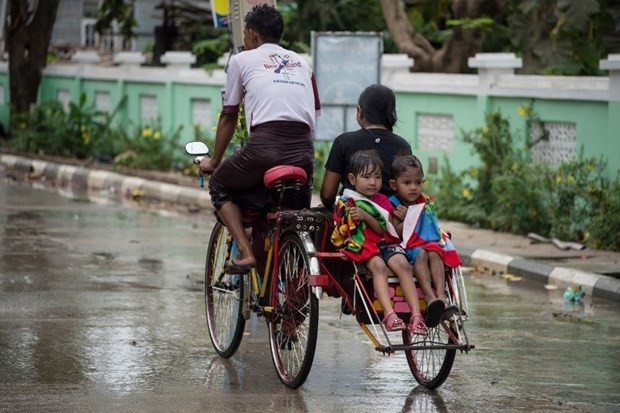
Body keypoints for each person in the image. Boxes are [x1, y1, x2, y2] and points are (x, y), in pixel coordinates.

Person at [199, 4, 321, 273]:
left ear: (253, 34)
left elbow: (229, 115)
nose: (244, 40)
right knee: (291, 219)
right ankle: (294, 289)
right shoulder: (303, 63)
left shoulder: (241, 60)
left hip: (264, 147)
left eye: (244, 35)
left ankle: (245, 252)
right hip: (303, 152)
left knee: (220, 184)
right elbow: (314, 116)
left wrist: (214, 160)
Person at [330, 150, 428, 335]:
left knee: (403, 265)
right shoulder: (347, 202)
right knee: (379, 267)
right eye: (366, 177)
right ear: (352, 178)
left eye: (377, 177)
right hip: (366, 247)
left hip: (385, 243)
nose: (373, 182)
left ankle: (416, 316)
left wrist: (367, 216)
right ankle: (390, 315)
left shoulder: (383, 201)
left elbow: (385, 229)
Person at [388, 155, 462, 327]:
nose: (413, 188)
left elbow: (431, 226)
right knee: (421, 254)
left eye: (418, 182)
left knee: (435, 253)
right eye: (407, 183)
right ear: (394, 185)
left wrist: (415, 215)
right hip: (408, 248)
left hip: (429, 244)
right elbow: (396, 232)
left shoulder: (426, 202)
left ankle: (441, 295)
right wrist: (408, 218)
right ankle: (429, 296)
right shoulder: (394, 204)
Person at [320, 84, 412, 209]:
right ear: (391, 113)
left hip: (353, 218)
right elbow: (407, 191)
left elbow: (327, 195)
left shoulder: (344, 142)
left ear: (360, 111)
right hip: (390, 219)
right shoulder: (403, 146)